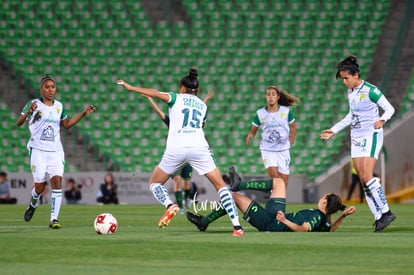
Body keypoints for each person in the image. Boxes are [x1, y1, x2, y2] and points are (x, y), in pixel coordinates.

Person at [117, 68, 244, 236]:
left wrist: (131, 87)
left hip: (176, 148)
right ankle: (237, 227)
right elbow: (201, 125)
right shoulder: (202, 106)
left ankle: (171, 205)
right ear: (197, 91)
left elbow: (155, 93)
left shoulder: (175, 97)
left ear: (182, 88)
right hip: (199, 147)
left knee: (154, 184)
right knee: (221, 186)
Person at [320, 56, 396, 232]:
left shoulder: (371, 90)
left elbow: (390, 108)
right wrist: (333, 130)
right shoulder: (351, 92)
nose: (344, 82)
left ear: (356, 75)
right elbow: (351, 115)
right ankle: (378, 216)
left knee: (367, 175)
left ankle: (386, 212)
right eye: (343, 79)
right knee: (363, 179)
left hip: (371, 135)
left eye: (346, 78)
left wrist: (382, 120)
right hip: (356, 137)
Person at [16, 74, 96, 229]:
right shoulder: (33, 104)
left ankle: (54, 219)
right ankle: (33, 204)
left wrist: (83, 114)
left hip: (56, 150)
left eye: (53, 86)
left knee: (57, 182)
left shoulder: (59, 106)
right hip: (38, 150)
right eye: (47, 87)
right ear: (41, 89)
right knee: (40, 187)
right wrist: (28, 113)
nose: (51, 89)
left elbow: (66, 124)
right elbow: (19, 123)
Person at [187, 168, 356, 232]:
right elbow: (330, 229)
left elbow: (303, 229)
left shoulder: (316, 217)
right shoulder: (324, 219)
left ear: (325, 203)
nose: (321, 198)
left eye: (323, 198)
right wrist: (343, 216)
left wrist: (283, 220)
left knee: (232, 197)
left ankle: (205, 221)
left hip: (271, 223)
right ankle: (240, 184)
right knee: (279, 182)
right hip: (277, 214)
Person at [146, 91, 215, 214]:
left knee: (187, 184)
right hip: (176, 153)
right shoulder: (172, 122)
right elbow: (159, 112)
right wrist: (150, 99)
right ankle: (180, 207)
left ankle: (188, 198)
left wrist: (206, 99)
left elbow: (197, 111)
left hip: (187, 151)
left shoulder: (186, 122)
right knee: (177, 182)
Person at [245, 86, 299, 187]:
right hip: (267, 150)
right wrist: (250, 135)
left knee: (283, 184)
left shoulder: (286, 112)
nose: (270, 97)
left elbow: (294, 127)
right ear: (266, 97)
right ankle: (272, 194)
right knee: (275, 177)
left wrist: (292, 138)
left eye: (273, 94)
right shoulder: (260, 113)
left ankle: (276, 198)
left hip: (283, 150)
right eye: (268, 94)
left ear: (278, 97)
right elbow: (254, 129)